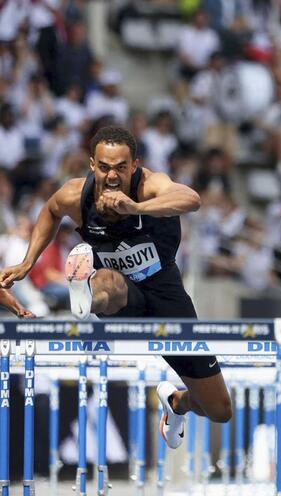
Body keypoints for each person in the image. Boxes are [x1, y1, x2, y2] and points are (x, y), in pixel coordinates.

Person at [0, 126, 232, 449]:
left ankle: (175, 403)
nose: (112, 176)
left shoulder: (150, 186)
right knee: (108, 282)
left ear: (134, 165)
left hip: (166, 298)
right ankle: (85, 295)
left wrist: (134, 208)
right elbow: (51, 211)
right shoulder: (76, 196)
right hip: (119, 296)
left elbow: (191, 199)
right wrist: (27, 262)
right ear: (92, 164)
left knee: (219, 409)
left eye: (121, 167)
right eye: (105, 167)